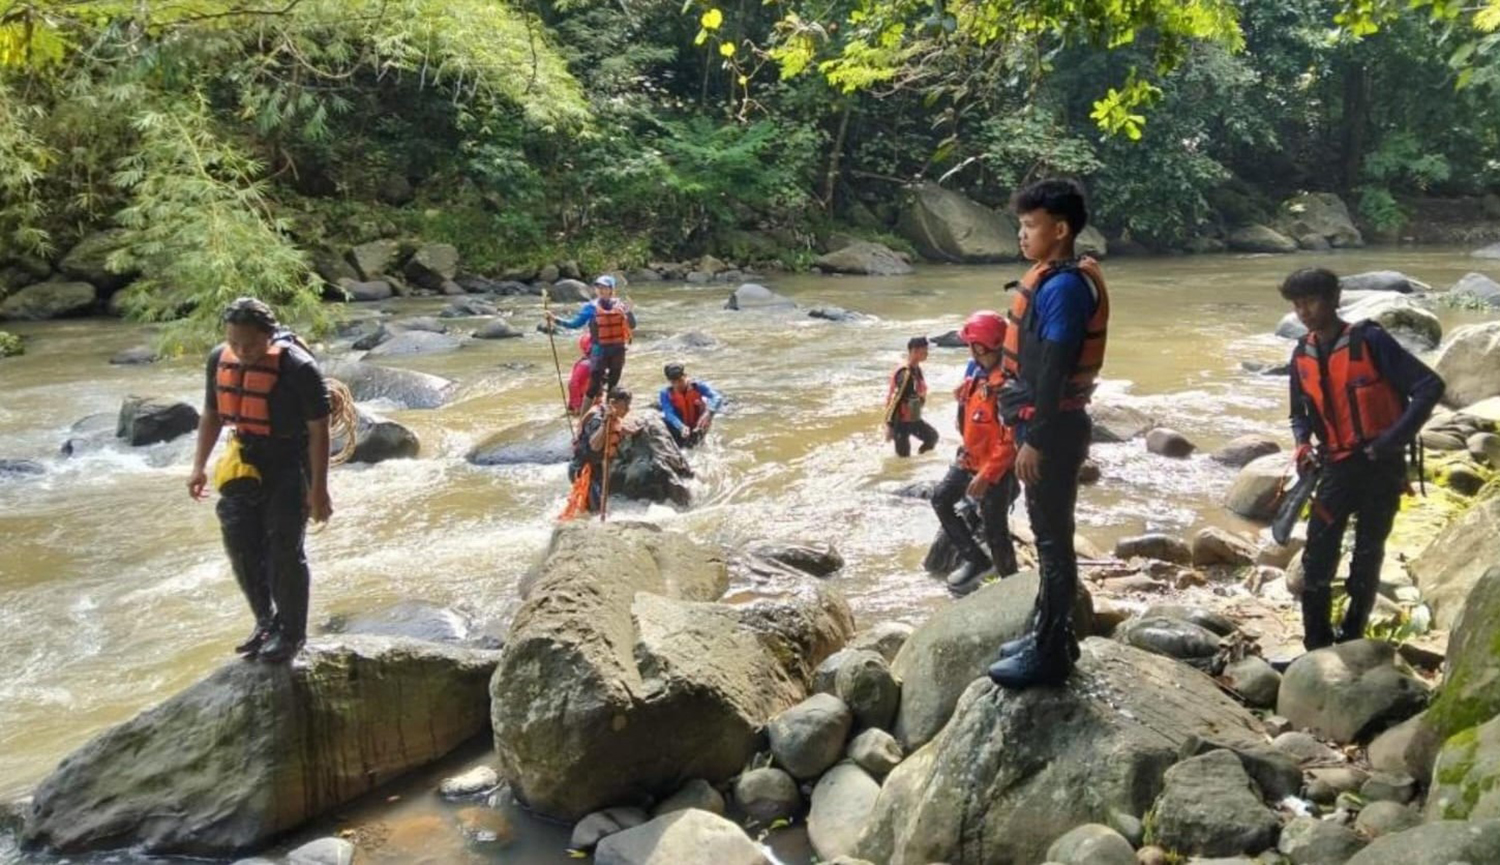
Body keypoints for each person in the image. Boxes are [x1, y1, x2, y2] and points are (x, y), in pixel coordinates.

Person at [986, 178, 1109, 690]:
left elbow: (1056, 367)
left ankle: (1053, 651)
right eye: (1021, 225)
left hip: (1052, 431)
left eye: (1031, 225)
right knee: (1047, 534)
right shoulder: (1054, 277)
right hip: (1049, 423)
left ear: (1060, 230)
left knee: (1054, 541)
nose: (1022, 234)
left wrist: (1034, 437)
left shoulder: (1060, 288)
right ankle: (1047, 631)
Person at [1281, 267, 1443, 651]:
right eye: (1297, 304)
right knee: (1318, 556)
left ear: (1335, 299)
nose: (1304, 311)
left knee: (1368, 553)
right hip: (1336, 465)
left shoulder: (1370, 341)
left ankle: (1353, 637)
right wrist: (1302, 443)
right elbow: (1298, 414)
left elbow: (1429, 386)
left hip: (1380, 467)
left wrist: (1391, 441)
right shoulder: (1301, 353)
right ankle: (1316, 647)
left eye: (1311, 301)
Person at [187, 298, 332, 663]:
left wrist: (318, 490)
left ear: (268, 336)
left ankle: (292, 634)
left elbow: (319, 431)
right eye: (234, 342)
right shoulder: (220, 359)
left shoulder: (298, 368)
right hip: (244, 462)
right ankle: (265, 623)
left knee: (284, 550)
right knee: (241, 546)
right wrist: (198, 466)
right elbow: (211, 414)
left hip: (288, 465)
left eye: (249, 344)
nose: (241, 351)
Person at [932, 312, 1020, 596]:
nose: (969, 349)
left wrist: (988, 474)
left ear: (982, 347)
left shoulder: (1007, 386)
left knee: (997, 534)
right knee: (941, 499)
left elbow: (1010, 441)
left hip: (994, 470)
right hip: (969, 458)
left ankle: (1011, 586)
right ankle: (975, 558)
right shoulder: (977, 372)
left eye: (972, 345)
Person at [546, 275, 636, 403]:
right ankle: (584, 418)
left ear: (611, 289)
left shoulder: (621, 306)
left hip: (618, 349)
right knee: (593, 387)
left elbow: (632, 325)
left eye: (605, 287)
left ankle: (608, 415)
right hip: (599, 349)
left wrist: (629, 312)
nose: (601, 290)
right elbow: (575, 324)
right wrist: (555, 320)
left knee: (613, 385)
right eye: (599, 287)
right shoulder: (591, 307)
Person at [562, 387, 639, 518]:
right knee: (595, 512)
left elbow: (618, 428)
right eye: (625, 405)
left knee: (593, 509)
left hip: (597, 468)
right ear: (613, 404)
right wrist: (604, 424)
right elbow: (595, 445)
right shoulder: (598, 419)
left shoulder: (613, 416)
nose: (628, 409)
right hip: (583, 470)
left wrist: (632, 431)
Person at [885, 336, 940, 457]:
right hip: (900, 422)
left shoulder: (916, 369)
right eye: (924, 351)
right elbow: (896, 399)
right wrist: (889, 425)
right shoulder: (905, 373)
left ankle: (920, 464)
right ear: (914, 351)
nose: (927, 354)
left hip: (912, 419)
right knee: (903, 458)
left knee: (932, 437)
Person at [659, 363, 723, 448]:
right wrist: (680, 426)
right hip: (680, 425)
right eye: (673, 382)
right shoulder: (665, 393)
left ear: (685, 376)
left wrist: (708, 412)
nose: (677, 385)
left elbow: (717, 397)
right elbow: (669, 413)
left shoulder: (698, 386)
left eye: (680, 380)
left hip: (699, 422)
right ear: (669, 381)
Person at [567, 334, 593, 415]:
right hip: (581, 405)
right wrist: (577, 406)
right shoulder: (586, 365)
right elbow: (573, 383)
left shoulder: (588, 363)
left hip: (583, 402)